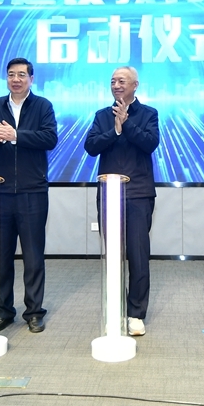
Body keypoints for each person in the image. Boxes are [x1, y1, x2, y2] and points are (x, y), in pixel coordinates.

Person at [0, 58, 58, 334]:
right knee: (2, 256)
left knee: (33, 256)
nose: (16, 79)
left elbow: (50, 139)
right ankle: (4, 310)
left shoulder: (43, 106)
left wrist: (16, 136)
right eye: (11, 74)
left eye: (22, 75)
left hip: (33, 191)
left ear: (31, 79)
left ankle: (34, 312)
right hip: (0, 192)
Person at [84, 66, 159, 336]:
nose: (116, 85)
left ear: (135, 85)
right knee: (113, 255)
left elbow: (150, 143)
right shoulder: (102, 115)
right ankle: (115, 311)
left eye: (122, 81)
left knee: (138, 255)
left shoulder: (149, 113)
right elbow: (91, 147)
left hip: (138, 193)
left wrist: (126, 124)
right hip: (109, 193)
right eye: (113, 81)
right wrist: (114, 131)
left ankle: (136, 314)